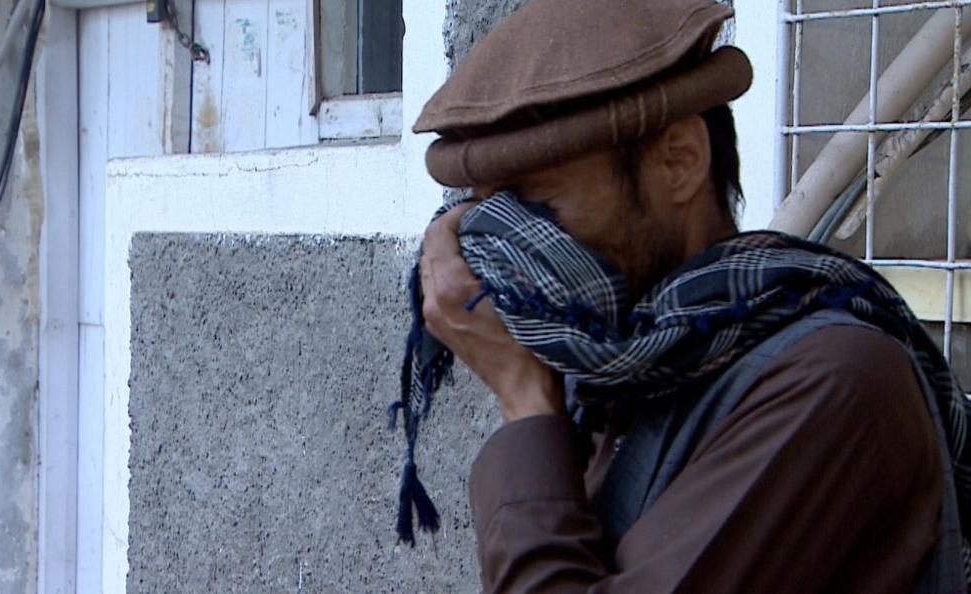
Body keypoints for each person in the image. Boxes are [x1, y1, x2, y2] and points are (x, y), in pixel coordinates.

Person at [391, 0, 971, 592]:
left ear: (679, 161)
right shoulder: (635, 369)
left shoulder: (832, 382)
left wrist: (524, 401)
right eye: (488, 213)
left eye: (539, 208)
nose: (507, 247)